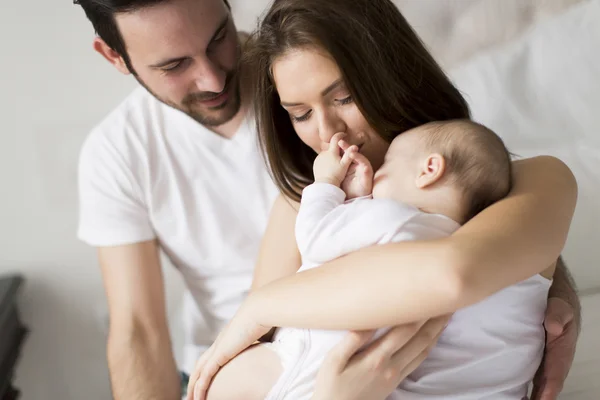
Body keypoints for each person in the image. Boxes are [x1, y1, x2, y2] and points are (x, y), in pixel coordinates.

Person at [73, 0, 580, 399]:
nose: (326, 131)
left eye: (343, 97)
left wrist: (261, 306)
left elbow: (459, 272)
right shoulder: (300, 202)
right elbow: (240, 365)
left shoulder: (537, 176)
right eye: (298, 113)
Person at [188, 120, 557, 400]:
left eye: (387, 166)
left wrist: (327, 188)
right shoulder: (505, 258)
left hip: (322, 369)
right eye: (299, 113)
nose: (327, 131)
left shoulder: (389, 217)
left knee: (222, 381)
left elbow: (316, 239)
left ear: (428, 170)